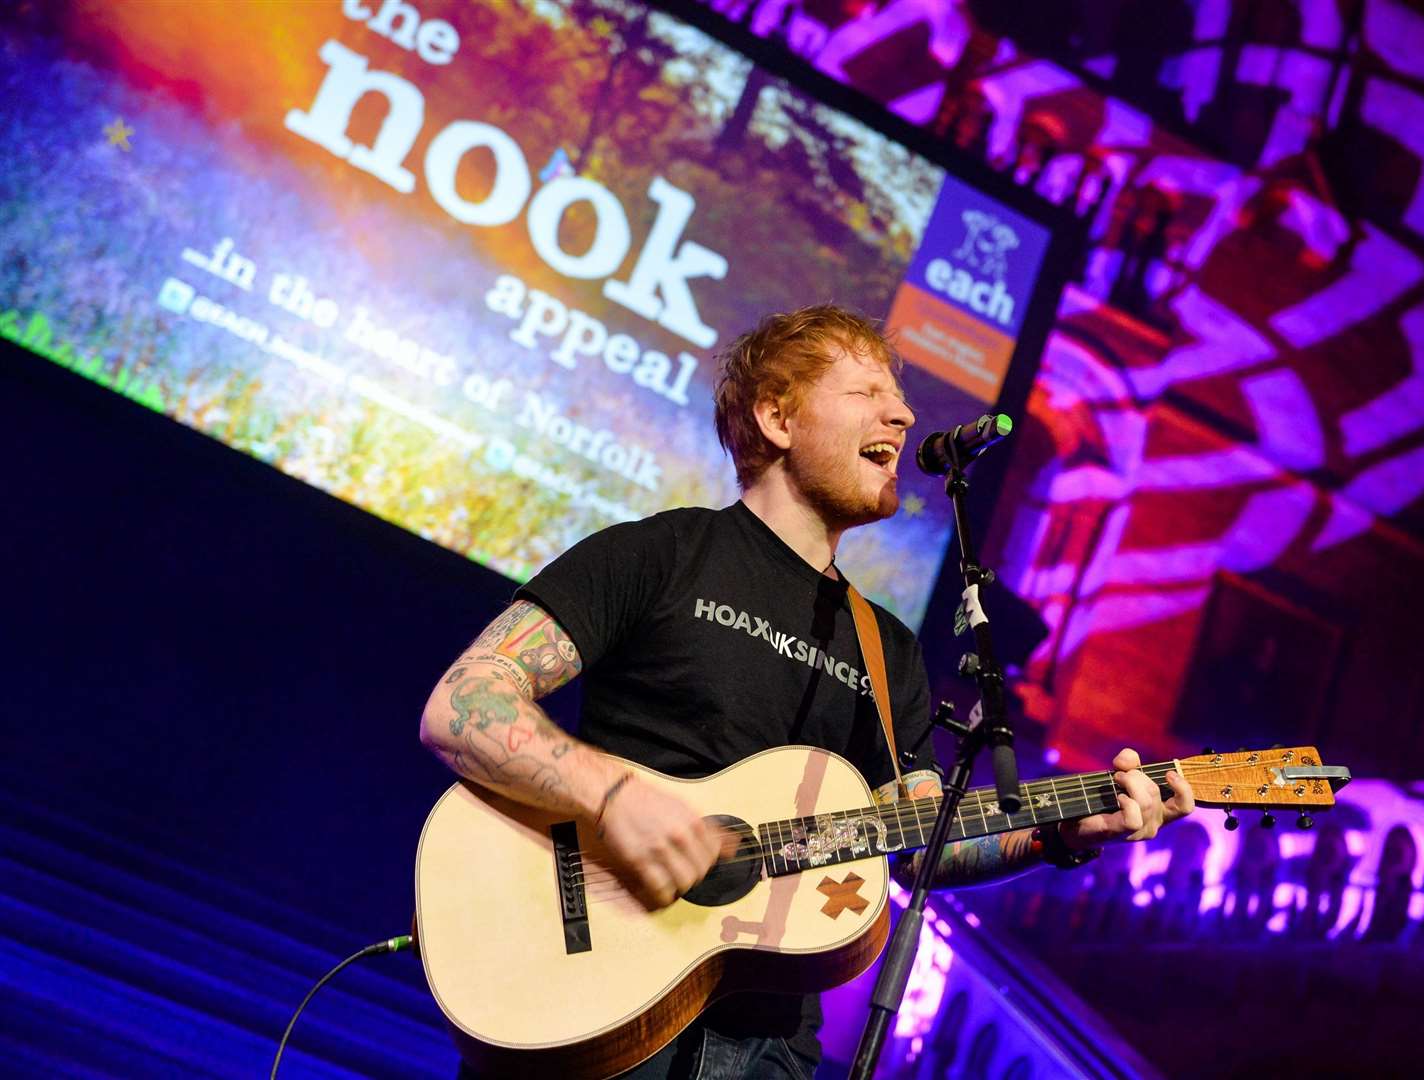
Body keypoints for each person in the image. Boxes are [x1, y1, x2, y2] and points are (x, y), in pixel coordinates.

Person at [419, 304, 1194, 1079]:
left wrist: (1064, 833)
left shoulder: (887, 649)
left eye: (897, 399)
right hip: (596, 1004)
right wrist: (615, 797)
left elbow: (926, 838)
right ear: (777, 417)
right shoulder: (661, 553)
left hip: (771, 1051)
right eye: (865, 392)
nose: (903, 413)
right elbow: (463, 704)